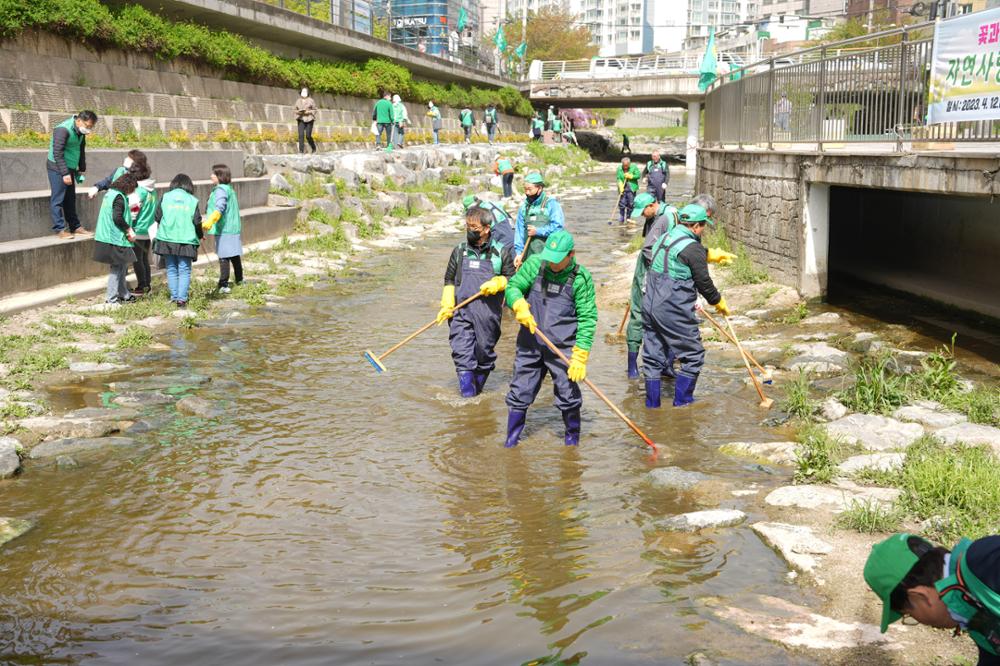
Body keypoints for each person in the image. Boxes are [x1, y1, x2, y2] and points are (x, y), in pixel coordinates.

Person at [504, 230, 597, 448]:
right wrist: (517, 304)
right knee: (519, 392)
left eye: (558, 260)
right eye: (550, 259)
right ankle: (511, 442)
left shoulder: (581, 279)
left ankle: (572, 443)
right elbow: (513, 286)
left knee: (568, 396)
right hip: (530, 341)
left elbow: (588, 318)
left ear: (571, 255)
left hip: (562, 348)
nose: (552, 264)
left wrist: (580, 355)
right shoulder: (536, 264)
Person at [624, 193, 734, 379]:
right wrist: (666, 270)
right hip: (651, 276)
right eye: (705, 220)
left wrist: (708, 254)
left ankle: (665, 369)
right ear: (699, 218)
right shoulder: (670, 219)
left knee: (660, 336)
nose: (706, 225)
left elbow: (686, 254)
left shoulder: (687, 225)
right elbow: (652, 249)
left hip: (667, 284)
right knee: (641, 320)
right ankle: (634, 369)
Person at [864, 533, 1000, 665]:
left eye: (908, 614)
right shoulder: (969, 613)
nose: (918, 620)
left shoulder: (986, 561)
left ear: (919, 595)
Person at [642, 204, 729, 408]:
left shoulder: (664, 238)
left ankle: (652, 408)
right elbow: (704, 283)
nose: (703, 230)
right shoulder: (692, 248)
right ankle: (682, 405)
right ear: (696, 227)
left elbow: (680, 255)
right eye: (703, 227)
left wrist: (708, 253)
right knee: (693, 355)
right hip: (672, 307)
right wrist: (718, 301)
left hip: (650, 304)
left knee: (653, 358)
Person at [435, 206, 516, 397]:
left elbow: (512, 280)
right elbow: (449, 279)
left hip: (488, 315)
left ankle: (477, 392)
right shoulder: (459, 251)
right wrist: (447, 303)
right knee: (462, 355)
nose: (470, 230)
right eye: (467, 226)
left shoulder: (500, 252)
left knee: (484, 356)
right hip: (461, 312)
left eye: (474, 227)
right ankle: (468, 400)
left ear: (487, 229)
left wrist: (500, 282)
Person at [153, 174, 203, 308]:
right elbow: (197, 221)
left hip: (166, 239)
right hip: (186, 240)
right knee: (184, 269)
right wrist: (200, 235)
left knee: (171, 268)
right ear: (189, 185)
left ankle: (174, 297)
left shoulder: (165, 197)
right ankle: (182, 300)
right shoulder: (192, 200)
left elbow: (157, 216)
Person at [48, 110, 98, 239]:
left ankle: (75, 227)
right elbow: (57, 152)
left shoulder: (80, 132)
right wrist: (64, 173)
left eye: (91, 127)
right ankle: (60, 229)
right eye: (87, 126)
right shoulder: (62, 130)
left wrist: (81, 167)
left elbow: (80, 149)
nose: (88, 129)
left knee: (70, 198)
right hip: (57, 167)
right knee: (58, 198)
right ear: (79, 120)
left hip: (70, 167)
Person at [92, 171, 138, 305]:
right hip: (113, 237)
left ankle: (124, 294)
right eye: (132, 188)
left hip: (106, 235)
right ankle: (111, 299)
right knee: (117, 268)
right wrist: (129, 229)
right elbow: (117, 217)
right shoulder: (119, 197)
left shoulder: (110, 194)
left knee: (122, 265)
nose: (133, 191)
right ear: (128, 186)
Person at [202, 164, 243, 293]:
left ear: (219, 176)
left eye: (213, 174)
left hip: (224, 228)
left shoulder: (220, 190)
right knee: (235, 255)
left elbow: (220, 207)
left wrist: (210, 221)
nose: (211, 176)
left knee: (224, 256)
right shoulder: (229, 188)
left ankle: (223, 284)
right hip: (233, 227)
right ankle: (240, 279)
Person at [513, 172, 565, 269]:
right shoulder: (524, 207)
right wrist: (519, 253)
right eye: (525, 189)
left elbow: (558, 228)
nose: (527, 193)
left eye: (530, 189)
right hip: (528, 257)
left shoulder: (551, 204)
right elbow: (519, 232)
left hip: (549, 256)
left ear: (539, 188)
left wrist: (538, 231)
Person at [615, 157, 641, 225]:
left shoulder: (634, 167)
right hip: (623, 188)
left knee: (631, 204)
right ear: (622, 164)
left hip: (631, 189)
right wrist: (620, 186)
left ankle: (629, 218)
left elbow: (638, 175)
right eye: (624, 166)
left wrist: (631, 176)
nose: (625, 167)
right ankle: (621, 218)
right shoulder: (619, 169)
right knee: (622, 203)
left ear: (629, 164)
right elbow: (618, 178)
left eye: (627, 166)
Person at [295, 87, 318, 154]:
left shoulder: (311, 100)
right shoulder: (298, 101)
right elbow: (294, 109)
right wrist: (298, 112)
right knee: (301, 135)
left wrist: (309, 112)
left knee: (308, 136)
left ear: (307, 93)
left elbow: (315, 109)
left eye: (305, 92)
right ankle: (301, 151)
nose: (304, 93)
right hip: (301, 118)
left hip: (309, 119)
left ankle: (314, 148)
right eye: (303, 91)